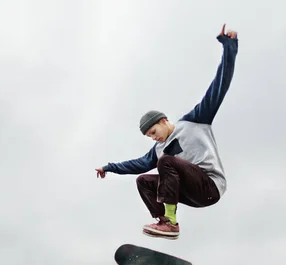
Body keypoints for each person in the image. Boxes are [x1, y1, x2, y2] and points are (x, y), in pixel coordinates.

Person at [95, 24, 238, 240]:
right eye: (150, 137)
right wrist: (109, 167)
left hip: (210, 187)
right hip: (190, 192)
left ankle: (171, 223)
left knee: (166, 163)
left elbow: (219, 86)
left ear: (163, 120)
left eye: (154, 132)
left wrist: (229, 46)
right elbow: (137, 164)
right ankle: (165, 222)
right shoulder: (158, 149)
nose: (154, 138)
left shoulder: (194, 121)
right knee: (143, 180)